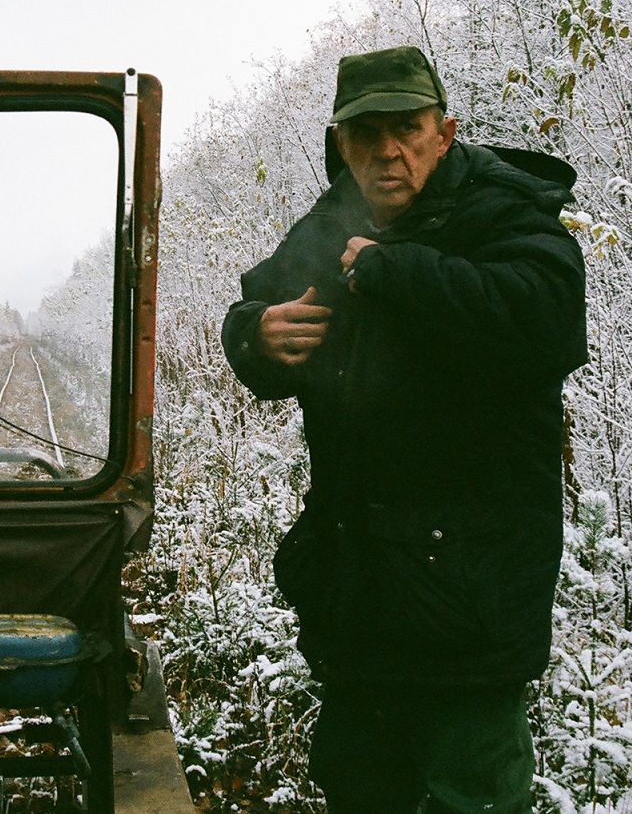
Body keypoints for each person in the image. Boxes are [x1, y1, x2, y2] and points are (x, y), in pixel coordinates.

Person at [221, 46, 588, 813]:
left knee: (473, 796)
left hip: (468, 599)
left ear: (445, 131)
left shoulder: (501, 210)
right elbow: (259, 306)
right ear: (340, 144)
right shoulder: (335, 221)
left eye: (408, 129)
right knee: (360, 790)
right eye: (367, 134)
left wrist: (397, 272)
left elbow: (545, 320)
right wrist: (256, 335)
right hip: (362, 596)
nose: (389, 150)